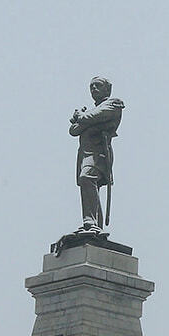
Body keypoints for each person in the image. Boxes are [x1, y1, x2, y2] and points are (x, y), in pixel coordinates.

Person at [69, 76, 124, 232]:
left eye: (97, 85)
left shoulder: (113, 104)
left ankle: (90, 221)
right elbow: (73, 130)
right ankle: (94, 224)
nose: (93, 89)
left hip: (99, 154)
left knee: (87, 178)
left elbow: (88, 118)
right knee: (89, 185)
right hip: (86, 154)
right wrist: (81, 119)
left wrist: (79, 116)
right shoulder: (94, 109)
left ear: (107, 88)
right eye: (91, 86)